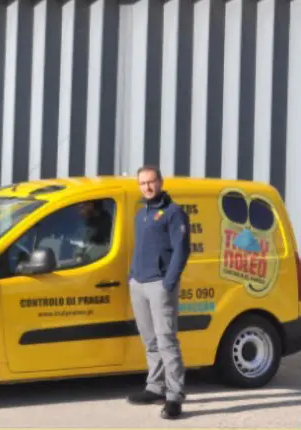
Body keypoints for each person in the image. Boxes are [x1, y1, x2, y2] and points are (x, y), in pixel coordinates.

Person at [127, 165, 191, 420]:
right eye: (142, 183)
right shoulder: (141, 214)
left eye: (151, 182)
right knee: (150, 339)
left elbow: (182, 250)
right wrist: (132, 275)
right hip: (139, 284)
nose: (147, 187)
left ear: (161, 182)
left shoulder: (173, 213)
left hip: (159, 285)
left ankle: (175, 396)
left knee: (166, 340)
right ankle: (155, 387)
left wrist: (168, 282)